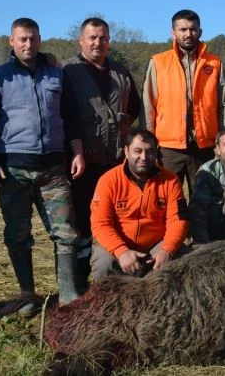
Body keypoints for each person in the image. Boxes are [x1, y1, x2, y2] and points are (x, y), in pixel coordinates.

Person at [0, 18, 80, 317]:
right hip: (13, 167)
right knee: (18, 233)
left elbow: (71, 116)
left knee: (65, 232)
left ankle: (68, 293)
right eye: (22, 39)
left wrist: (77, 153)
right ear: (11, 41)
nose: (28, 44)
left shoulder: (57, 74)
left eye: (33, 38)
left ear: (40, 39)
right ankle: (27, 294)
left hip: (53, 167)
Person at [61, 17, 141, 291]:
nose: (98, 42)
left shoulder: (120, 72)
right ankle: (80, 281)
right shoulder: (69, 72)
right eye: (92, 37)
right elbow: (65, 115)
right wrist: (77, 151)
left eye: (103, 37)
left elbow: (136, 108)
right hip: (83, 162)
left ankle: (116, 274)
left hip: (116, 162)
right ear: (81, 40)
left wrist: (121, 130)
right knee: (82, 222)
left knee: (117, 218)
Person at [142, 9, 225, 197]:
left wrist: (224, 142)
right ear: (173, 32)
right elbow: (148, 106)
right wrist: (148, 144)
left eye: (193, 29)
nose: (188, 34)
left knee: (207, 202)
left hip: (205, 147)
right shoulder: (158, 62)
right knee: (164, 199)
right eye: (182, 29)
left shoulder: (215, 63)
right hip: (168, 148)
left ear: (200, 31)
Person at [90, 129, 189, 279]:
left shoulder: (171, 180)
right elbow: (100, 223)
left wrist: (167, 250)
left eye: (150, 152)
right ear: (126, 151)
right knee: (104, 263)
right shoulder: (108, 181)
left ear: (157, 153)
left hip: (157, 245)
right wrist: (121, 251)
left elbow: (178, 220)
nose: (144, 157)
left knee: (185, 261)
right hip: (120, 245)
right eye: (138, 151)